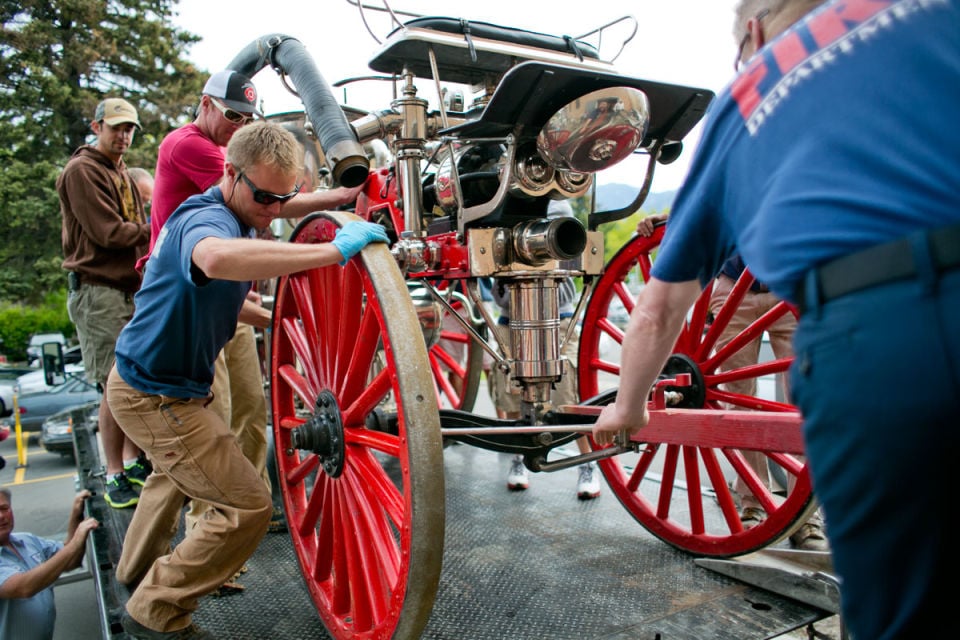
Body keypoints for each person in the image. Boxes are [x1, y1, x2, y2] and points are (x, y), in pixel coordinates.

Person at [593, 1, 958, 638]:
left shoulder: (751, 92)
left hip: (873, 329)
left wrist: (628, 407)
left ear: (755, 32)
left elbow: (658, 308)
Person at [107, 121, 386, 639]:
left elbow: (238, 291)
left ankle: (131, 571)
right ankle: (156, 611)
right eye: (265, 197)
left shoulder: (243, 211)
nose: (275, 211)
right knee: (246, 506)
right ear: (229, 174)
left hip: (153, 383)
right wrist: (331, 252)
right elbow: (214, 259)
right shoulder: (207, 219)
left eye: (286, 198)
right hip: (155, 396)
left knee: (176, 475)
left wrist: (346, 197)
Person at [146, 71, 363, 536]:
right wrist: (337, 225)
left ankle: (249, 511)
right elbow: (235, 238)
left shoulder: (239, 183)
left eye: (248, 118)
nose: (239, 126)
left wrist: (283, 317)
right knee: (212, 418)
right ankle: (212, 529)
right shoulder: (192, 149)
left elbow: (271, 200)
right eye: (231, 116)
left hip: (229, 293)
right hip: (188, 294)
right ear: (204, 105)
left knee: (250, 404)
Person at [639, 215, 827, 550]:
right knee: (739, 400)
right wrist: (670, 217)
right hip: (733, 288)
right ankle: (753, 501)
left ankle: (805, 516)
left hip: (788, 285)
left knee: (803, 402)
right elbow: (714, 197)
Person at [57, 97, 151, 509]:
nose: (123, 136)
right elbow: (108, 234)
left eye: (129, 129)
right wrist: (160, 227)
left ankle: (131, 460)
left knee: (131, 378)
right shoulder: (82, 171)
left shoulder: (122, 172)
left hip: (126, 289)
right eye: (116, 128)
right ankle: (113, 472)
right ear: (96, 127)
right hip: (98, 291)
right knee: (113, 385)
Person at [491, 200, 601, 500]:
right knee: (511, 394)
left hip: (558, 320)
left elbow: (565, 288)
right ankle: (518, 458)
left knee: (567, 397)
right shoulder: (503, 205)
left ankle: (587, 464)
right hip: (510, 320)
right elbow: (500, 297)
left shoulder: (558, 207)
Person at [0, 487, 99, 640]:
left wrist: (76, 515)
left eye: (4, 508)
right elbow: (24, 587)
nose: (1, 516)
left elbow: (70, 561)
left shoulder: (27, 540)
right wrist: (75, 542)